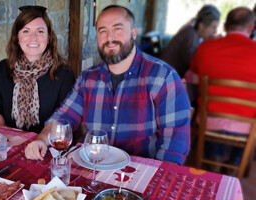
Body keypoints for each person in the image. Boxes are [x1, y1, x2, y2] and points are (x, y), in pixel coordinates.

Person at [25, 5, 191, 165]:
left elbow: (174, 140)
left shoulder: (162, 76)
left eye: (117, 29)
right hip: (94, 166)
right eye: (102, 31)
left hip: (140, 170)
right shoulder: (87, 79)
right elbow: (64, 117)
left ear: (134, 33)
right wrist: (42, 140)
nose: (109, 37)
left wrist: (156, 177)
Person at [0, 5, 75, 133]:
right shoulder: (3, 69)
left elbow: (63, 119)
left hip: (47, 145)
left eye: (40, 31)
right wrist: (8, 138)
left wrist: (38, 142)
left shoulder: (63, 73)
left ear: (48, 37)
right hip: (9, 142)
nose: (33, 38)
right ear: (17, 37)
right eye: (26, 31)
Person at [188, 7, 256, 166]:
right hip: (247, 126)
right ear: (250, 28)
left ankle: (214, 157)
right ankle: (236, 162)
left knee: (211, 112)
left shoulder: (205, 47)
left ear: (225, 27)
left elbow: (194, 75)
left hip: (209, 120)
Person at [161, 5, 220, 78]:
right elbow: (193, 65)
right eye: (213, 27)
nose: (215, 32)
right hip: (165, 80)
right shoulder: (191, 36)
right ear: (201, 26)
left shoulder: (192, 33)